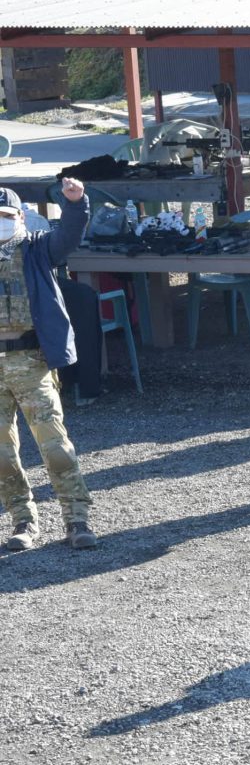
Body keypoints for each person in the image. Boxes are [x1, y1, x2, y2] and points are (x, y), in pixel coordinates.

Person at [0, 180, 94, 552]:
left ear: (21, 217)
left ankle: (76, 519)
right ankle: (22, 520)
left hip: (31, 362)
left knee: (55, 446)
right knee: (2, 455)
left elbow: (69, 236)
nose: (1, 222)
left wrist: (76, 203)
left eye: (6, 215)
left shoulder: (37, 249)